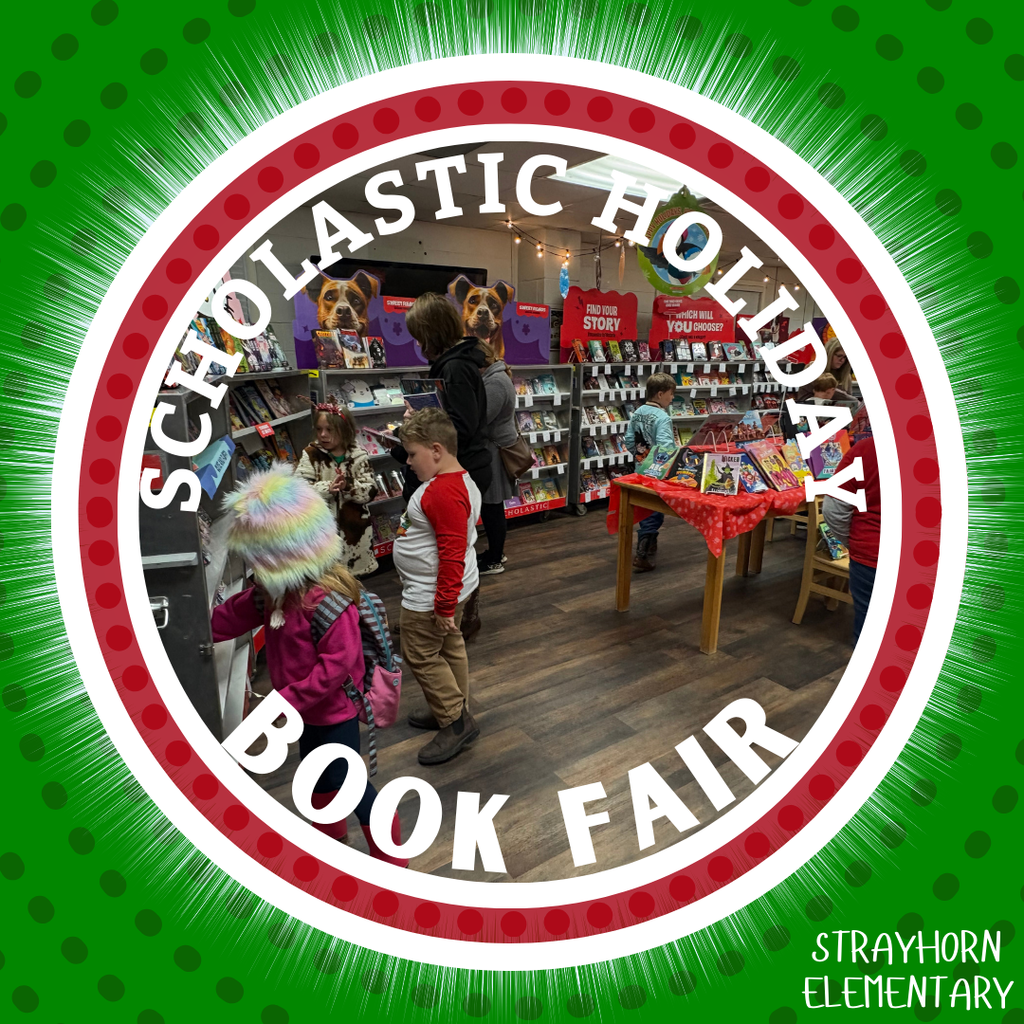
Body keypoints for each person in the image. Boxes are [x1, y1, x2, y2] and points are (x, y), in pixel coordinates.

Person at [211, 464, 407, 865]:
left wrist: (285, 700)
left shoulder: (328, 602)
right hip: (306, 715)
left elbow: (336, 669)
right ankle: (330, 840)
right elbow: (232, 615)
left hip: (334, 713)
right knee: (317, 777)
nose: (256, 575)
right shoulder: (274, 594)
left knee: (350, 785)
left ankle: (392, 857)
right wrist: (191, 632)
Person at [388, 293, 491, 640]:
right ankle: (445, 612)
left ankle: (454, 615)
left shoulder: (456, 368)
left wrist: (419, 428)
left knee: (449, 544)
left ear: (431, 332)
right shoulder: (454, 364)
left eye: (420, 335)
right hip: (439, 466)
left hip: (450, 471)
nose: (418, 344)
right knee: (447, 541)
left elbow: (462, 427)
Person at [392, 408, 482, 765]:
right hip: (445, 588)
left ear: (435, 450)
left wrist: (443, 606)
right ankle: (449, 706)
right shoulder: (460, 479)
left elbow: (451, 551)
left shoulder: (442, 492)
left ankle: (456, 722)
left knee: (421, 654)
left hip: (429, 595)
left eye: (412, 454)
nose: (409, 462)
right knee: (449, 646)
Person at [295, 403, 378, 577]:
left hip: (355, 534)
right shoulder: (311, 454)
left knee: (355, 585)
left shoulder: (359, 455)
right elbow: (298, 489)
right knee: (326, 582)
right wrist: (327, 488)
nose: (323, 435)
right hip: (320, 533)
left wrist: (349, 486)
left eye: (330, 430)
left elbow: (370, 490)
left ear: (344, 430)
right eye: (319, 429)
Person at [822, 436, 880, 645]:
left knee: (869, 635)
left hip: (872, 555)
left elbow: (833, 510)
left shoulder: (867, 448)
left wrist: (856, 542)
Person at [624, 372, 676, 572]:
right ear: (661, 394)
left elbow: (629, 440)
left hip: (641, 468)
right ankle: (644, 552)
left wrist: (640, 458)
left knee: (645, 507)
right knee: (655, 510)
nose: (672, 399)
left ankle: (647, 546)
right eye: (671, 394)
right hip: (658, 470)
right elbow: (665, 446)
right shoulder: (663, 417)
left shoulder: (637, 413)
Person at [475, 341, 517, 575]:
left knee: (492, 506)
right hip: (495, 448)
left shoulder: (495, 382)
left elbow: (481, 418)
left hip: (494, 451)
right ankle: (495, 553)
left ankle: (494, 558)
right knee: (492, 506)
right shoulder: (496, 377)